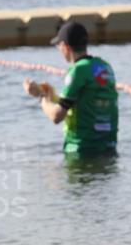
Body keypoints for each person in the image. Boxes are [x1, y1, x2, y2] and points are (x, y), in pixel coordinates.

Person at [24, 21, 118, 158]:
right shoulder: (104, 66)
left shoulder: (77, 71)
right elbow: (80, 103)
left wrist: (42, 97)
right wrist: (49, 93)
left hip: (81, 151)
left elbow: (56, 116)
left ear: (65, 47)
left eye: (58, 46)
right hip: (109, 148)